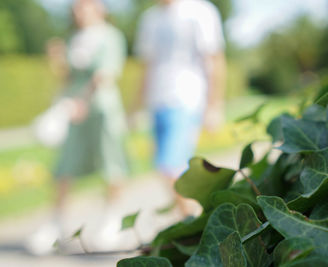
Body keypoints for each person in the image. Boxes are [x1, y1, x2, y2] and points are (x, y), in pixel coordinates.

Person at [25, 0, 130, 254]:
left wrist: (83, 100)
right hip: (73, 111)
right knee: (64, 167)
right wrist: (58, 60)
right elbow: (69, 77)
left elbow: (104, 74)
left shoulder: (110, 36)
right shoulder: (73, 38)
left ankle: (112, 221)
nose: (78, 11)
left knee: (111, 163)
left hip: (100, 110)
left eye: (84, 6)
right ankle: (56, 224)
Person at [134, 0, 226, 214]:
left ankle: (192, 222)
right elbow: (146, 67)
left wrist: (214, 105)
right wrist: (136, 107)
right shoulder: (150, 18)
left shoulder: (200, 11)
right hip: (157, 102)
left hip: (186, 98)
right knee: (165, 167)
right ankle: (190, 220)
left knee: (170, 166)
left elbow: (214, 60)